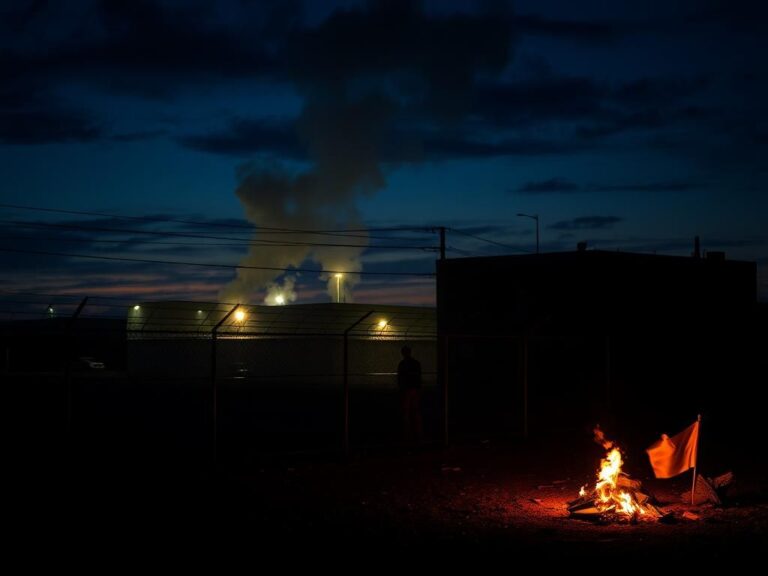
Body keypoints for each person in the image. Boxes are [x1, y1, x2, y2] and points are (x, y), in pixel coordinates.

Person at [397, 345, 423, 446]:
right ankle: (418, 433)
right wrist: (419, 389)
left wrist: (400, 389)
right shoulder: (416, 363)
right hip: (414, 389)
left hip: (406, 389)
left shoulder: (402, 364)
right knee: (416, 411)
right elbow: (418, 377)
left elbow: (400, 378)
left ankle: (407, 434)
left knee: (406, 411)